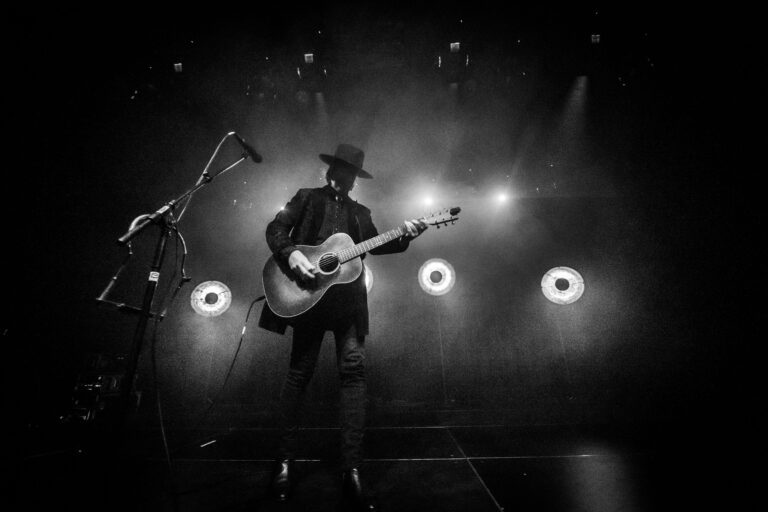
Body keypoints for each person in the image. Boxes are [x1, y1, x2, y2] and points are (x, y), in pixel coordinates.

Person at [259, 144, 427, 510]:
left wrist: (406, 235)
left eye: (352, 172)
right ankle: (283, 462)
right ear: (331, 170)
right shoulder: (306, 198)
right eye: (342, 169)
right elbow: (276, 228)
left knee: (353, 373)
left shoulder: (361, 213)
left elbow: (379, 245)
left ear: (355, 178)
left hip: (348, 304)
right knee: (298, 374)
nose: (346, 177)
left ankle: (352, 469)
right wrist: (292, 253)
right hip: (308, 296)